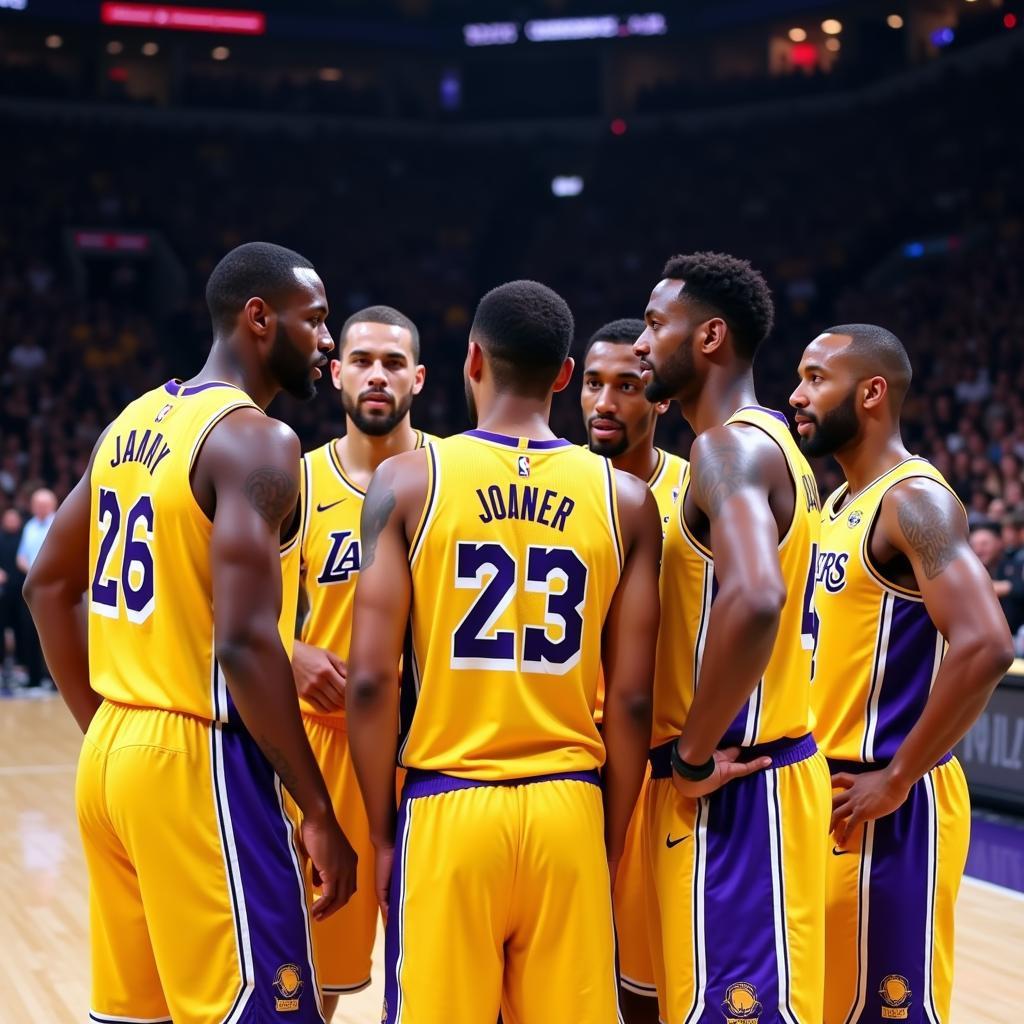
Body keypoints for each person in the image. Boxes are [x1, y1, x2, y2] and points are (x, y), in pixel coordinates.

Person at [23, 241, 358, 1024]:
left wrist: (109, 726)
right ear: (258, 317)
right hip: (196, 756)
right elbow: (245, 642)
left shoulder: (133, 420)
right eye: (315, 321)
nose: (327, 340)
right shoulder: (256, 440)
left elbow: (48, 584)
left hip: (113, 758)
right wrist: (316, 807)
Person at [347, 279, 662, 1023]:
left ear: (471, 360)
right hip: (569, 805)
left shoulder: (408, 480)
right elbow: (633, 699)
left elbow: (369, 683)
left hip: (449, 804)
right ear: (564, 375)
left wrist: (382, 836)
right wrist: (608, 832)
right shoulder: (626, 500)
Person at [791, 324, 1014, 1024]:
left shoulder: (913, 500)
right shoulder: (836, 506)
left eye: (816, 378)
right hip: (829, 797)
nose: (797, 395)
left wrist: (898, 776)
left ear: (872, 392)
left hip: (891, 800)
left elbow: (986, 644)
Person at [633, 251, 830, 1024]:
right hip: (754, 780)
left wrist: (687, 754)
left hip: (738, 783)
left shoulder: (726, 449)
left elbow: (755, 597)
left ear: (711, 336)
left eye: (656, 324)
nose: (644, 344)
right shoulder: (768, 444)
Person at [291, 304, 431, 1019]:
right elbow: (223, 610)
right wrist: (287, 653)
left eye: (394, 363)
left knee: (440, 986)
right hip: (325, 753)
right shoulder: (297, 482)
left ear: (419, 378)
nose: (378, 376)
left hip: (432, 753)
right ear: (337, 371)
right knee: (311, 986)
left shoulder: (449, 477)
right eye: (365, 361)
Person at [581, 315, 687, 1022]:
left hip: (664, 770)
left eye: (627, 385)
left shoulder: (700, 492)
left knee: (646, 990)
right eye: (593, 383)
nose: (605, 403)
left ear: (661, 400)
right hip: (574, 765)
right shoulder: (556, 485)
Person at [16, 488, 56, 689]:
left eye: (43, 504)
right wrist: (30, 570)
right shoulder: (29, 526)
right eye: (36, 504)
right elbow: (21, 556)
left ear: (52, 505)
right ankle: (33, 679)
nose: (39, 508)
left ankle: (54, 681)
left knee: (53, 635)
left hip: (52, 588)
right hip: (31, 588)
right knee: (30, 633)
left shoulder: (58, 523)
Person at [0, 506, 25, 688]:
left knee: (23, 629)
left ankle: (20, 669)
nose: (11, 522)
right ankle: (2, 669)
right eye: (8, 519)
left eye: (14, 519)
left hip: (21, 591)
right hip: (3, 592)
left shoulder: (25, 537)